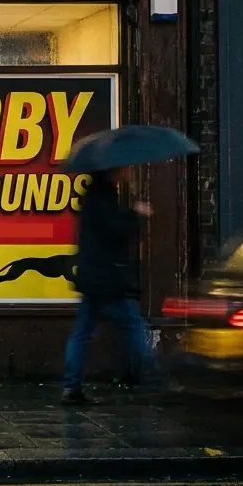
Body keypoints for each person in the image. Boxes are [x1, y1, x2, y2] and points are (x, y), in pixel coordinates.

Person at [61, 166, 160, 405]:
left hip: (94, 278)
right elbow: (114, 230)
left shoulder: (96, 194)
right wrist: (137, 214)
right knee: (132, 326)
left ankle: (71, 386)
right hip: (109, 279)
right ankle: (156, 379)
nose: (126, 173)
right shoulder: (103, 196)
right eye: (122, 170)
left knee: (82, 333)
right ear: (112, 171)